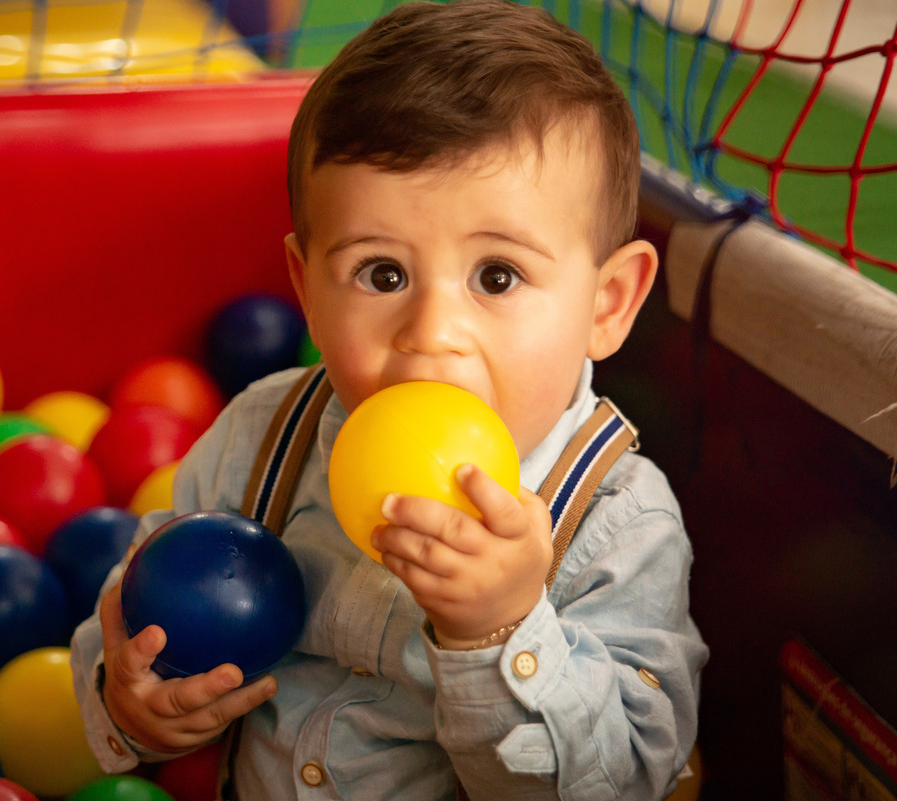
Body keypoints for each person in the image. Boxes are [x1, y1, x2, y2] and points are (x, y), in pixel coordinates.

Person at [71, 2, 708, 798]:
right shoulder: (261, 434)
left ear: (607, 303)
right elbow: (131, 613)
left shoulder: (617, 520)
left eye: (497, 276)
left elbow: (625, 778)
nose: (431, 332)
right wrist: (135, 699)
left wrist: (503, 629)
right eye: (383, 274)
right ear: (308, 289)